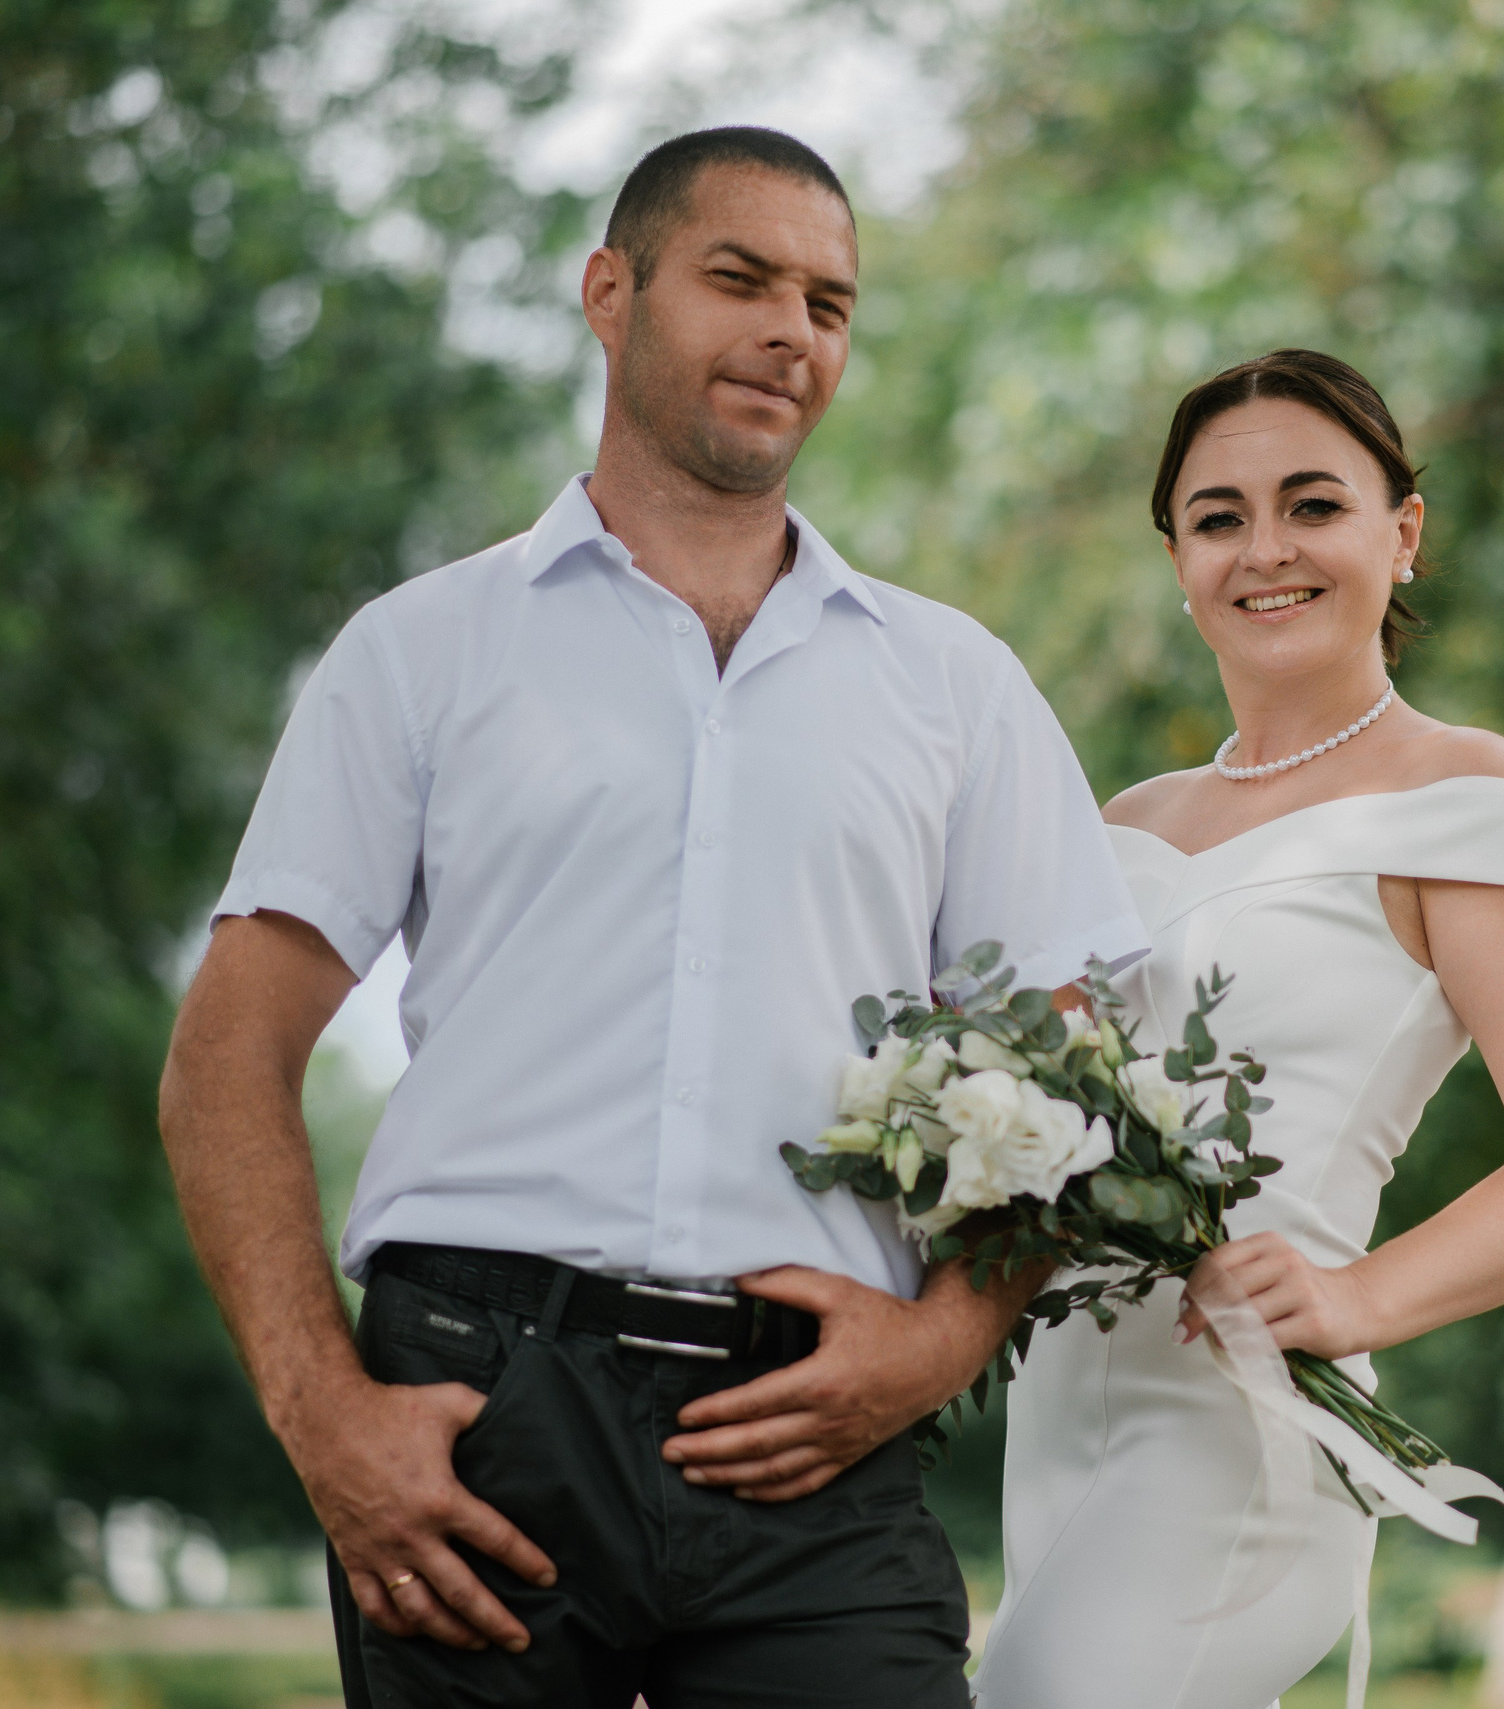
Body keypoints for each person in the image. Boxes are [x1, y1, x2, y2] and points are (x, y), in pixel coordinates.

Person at [156, 127, 1145, 1709]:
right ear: (610, 294)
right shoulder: (421, 651)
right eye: (740, 279)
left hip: (818, 1433)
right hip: (479, 1426)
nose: (792, 332)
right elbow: (228, 1053)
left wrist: (942, 1343)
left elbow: (1082, 1060)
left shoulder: (953, 684)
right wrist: (321, 1410)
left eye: (830, 303)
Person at [971, 349, 1504, 1708]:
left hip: (1241, 1428)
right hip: (1055, 1431)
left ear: (1403, 534)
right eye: (1218, 517)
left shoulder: (1464, 793)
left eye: (1312, 504)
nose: (1263, 548)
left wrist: (1355, 1297)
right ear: (1178, 560)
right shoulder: (1120, 826)